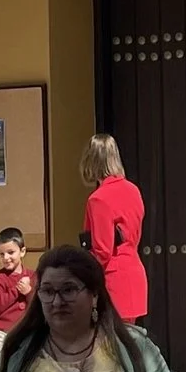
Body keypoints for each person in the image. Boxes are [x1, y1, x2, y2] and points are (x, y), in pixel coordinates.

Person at [0, 246, 175, 372]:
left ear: (94, 295)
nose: (57, 301)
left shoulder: (134, 347)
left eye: (68, 290)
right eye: (47, 291)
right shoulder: (16, 352)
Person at [79, 134, 148, 329]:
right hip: (133, 272)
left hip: (113, 280)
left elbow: (102, 251)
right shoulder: (133, 190)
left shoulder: (98, 199)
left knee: (109, 351)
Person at [0, 228, 35, 372]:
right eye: (1, 254)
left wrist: (28, 291)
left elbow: (38, 305)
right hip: (1, 334)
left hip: (25, 333)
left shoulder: (32, 276)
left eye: (10, 252)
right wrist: (16, 290)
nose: (6, 257)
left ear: (22, 251)